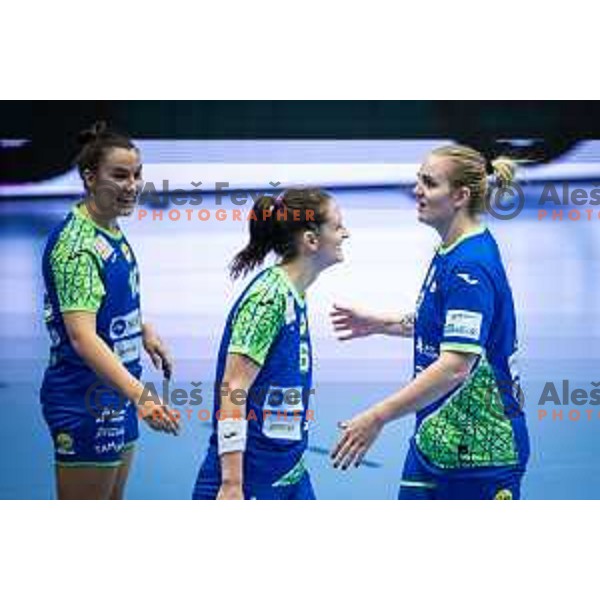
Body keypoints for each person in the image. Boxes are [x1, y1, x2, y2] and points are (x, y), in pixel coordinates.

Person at [330, 144, 530, 500]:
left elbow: (455, 366)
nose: (417, 190)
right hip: (434, 440)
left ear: (460, 196)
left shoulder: (470, 265)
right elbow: (448, 329)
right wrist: (381, 323)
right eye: (418, 180)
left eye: (429, 183)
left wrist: (377, 417)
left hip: (479, 453)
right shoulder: (451, 249)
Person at [40, 121, 179, 500]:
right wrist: (142, 396)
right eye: (119, 175)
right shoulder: (76, 246)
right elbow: (82, 337)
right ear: (89, 178)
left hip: (115, 392)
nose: (132, 185)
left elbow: (106, 304)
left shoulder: (110, 229)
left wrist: (142, 330)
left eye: (136, 175)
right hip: (84, 400)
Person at [192, 188, 349, 500]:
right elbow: (233, 390)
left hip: (288, 471)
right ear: (311, 240)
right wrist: (232, 484)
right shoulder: (268, 299)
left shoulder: (293, 293)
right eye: (337, 226)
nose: (346, 233)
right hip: (250, 480)